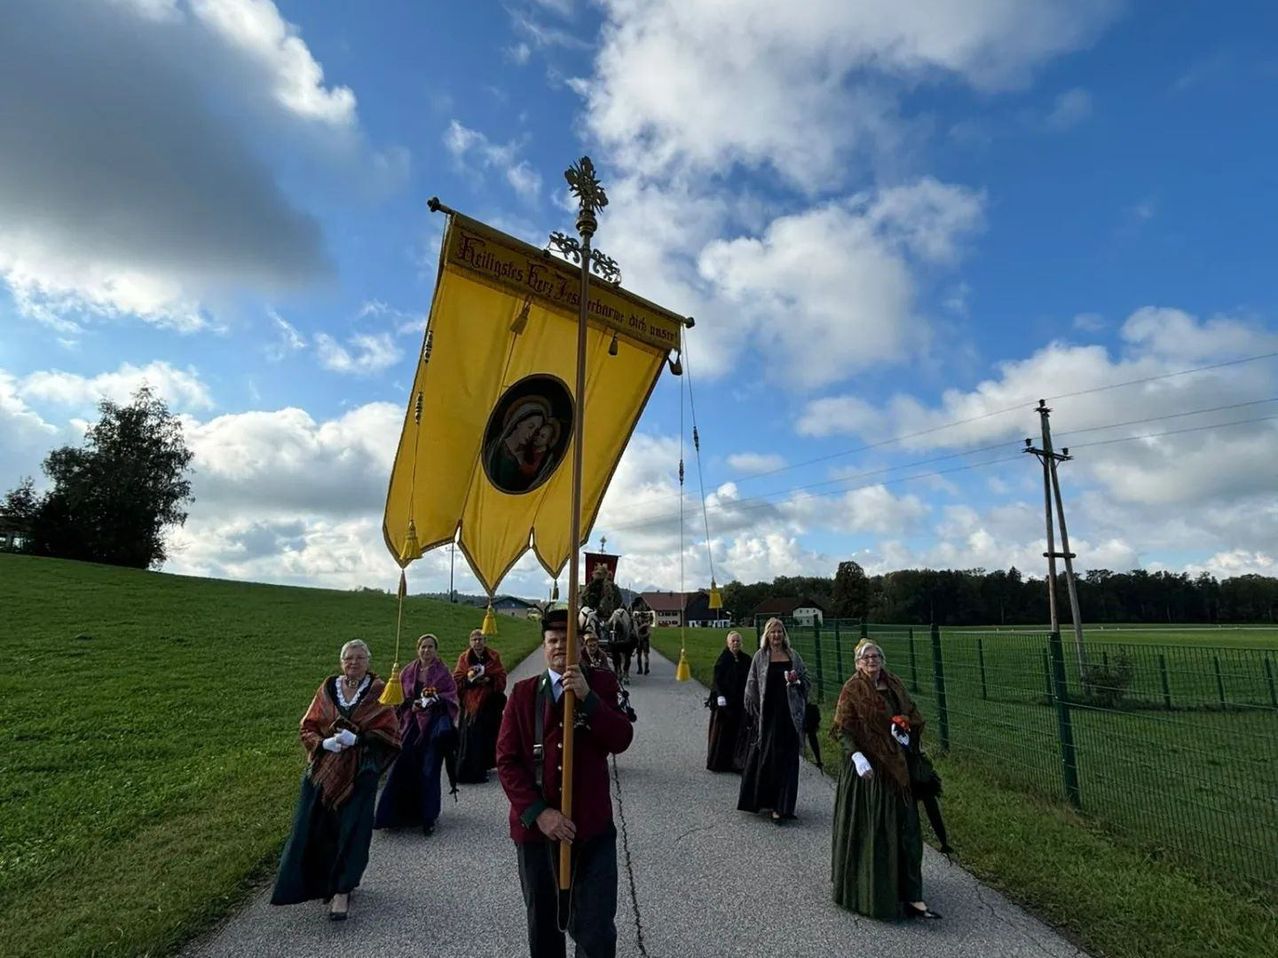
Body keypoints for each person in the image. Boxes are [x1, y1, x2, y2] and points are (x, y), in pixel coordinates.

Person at [496, 607, 634, 958]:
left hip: (591, 830)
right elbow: (507, 761)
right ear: (544, 647)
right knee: (544, 925)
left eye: (566, 641)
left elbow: (621, 738)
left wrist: (589, 699)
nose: (559, 648)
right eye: (552, 641)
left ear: (579, 645)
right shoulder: (524, 693)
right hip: (537, 834)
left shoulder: (601, 684)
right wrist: (539, 813)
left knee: (596, 927)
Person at [271, 639, 400, 920]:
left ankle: (343, 889)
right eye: (348, 658)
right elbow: (307, 726)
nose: (353, 663)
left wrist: (361, 739)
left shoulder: (379, 691)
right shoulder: (328, 688)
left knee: (352, 831)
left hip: (359, 775)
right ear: (341, 662)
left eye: (359, 658)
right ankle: (319, 881)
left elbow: (390, 734)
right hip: (324, 771)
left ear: (368, 662)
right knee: (318, 827)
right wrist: (323, 743)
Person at [830, 640, 941, 920]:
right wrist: (855, 756)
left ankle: (912, 895)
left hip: (898, 766)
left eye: (876, 655)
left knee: (908, 830)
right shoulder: (852, 689)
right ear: (857, 663)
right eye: (866, 657)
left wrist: (905, 730)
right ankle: (874, 892)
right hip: (869, 770)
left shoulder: (894, 683)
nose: (872, 660)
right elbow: (843, 728)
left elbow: (912, 714)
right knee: (877, 832)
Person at [374, 633, 460, 836]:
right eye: (423, 647)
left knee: (429, 770)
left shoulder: (443, 673)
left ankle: (427, 817)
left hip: (433, 729)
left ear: (436, 650)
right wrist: (409, 705)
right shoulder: (407, 671)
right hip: (411, 726)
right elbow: (396, 698)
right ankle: (395, 815)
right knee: (403, 765)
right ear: (417, 648)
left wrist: (435, 700)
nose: (426, 651)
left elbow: (452, 698)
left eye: (430, 647)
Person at [737, 617, 810, 823]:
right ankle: (769, 803)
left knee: (788, 761)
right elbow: (751, 685)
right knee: (770, 759)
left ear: (784, 635)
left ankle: (784, 806)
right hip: (769, 717)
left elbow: (807, 682)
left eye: (779, 632)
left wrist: (797, 681)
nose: (776, 636)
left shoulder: (793, 656)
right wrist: (755, 710)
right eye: (773, 632)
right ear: (767, 636)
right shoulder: (761, 656)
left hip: (790, 716)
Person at [453, 628, 508, 784]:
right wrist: (471, 680)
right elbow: (457, 679)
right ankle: (472, 769)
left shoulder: (493, 656)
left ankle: (484, 765)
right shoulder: (464, 658)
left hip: (489, 703)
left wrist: (489, 679)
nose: (477, 642)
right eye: (474, 639)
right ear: (470, 642)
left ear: (485, 641)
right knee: (471, 735)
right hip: (470, 703)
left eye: (480, 639)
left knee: (487, 735)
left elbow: (501, 676)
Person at [706, 631, 751, 772]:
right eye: (733, 641)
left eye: (738, 641)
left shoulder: (746, 659)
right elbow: (717, 680)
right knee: (723, 733)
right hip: (725, 703)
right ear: (728, 643)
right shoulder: (723, 660)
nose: (735, 643)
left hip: (740, 701)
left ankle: (738, 762)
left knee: (740, 732)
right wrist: (719, 696)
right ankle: (720, 763)